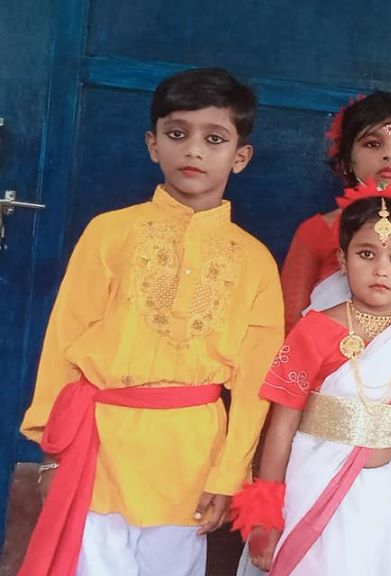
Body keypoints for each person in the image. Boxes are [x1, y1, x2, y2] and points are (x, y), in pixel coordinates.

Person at [19, 68, 282, 576]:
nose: (194, 150)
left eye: (214, 139)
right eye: (177, 134)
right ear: (152, 144)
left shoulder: (255, 261)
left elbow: (256, 383)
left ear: (241, 156)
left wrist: (230, 473)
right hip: (98, 447)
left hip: (190, 457)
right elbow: (64, 340)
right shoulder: (109, 233)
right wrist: (53, 454)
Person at [233, 189, 391, 576]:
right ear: (343, 260)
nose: (381, 270)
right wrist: (266, 515)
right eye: (366, 254)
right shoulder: (313, 329)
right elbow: (281, 427)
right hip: (309, 487)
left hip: (382, 502)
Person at [280, 91, 391, 331]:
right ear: (347, 161)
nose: (389, 154)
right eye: (373, 144)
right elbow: (290, 321)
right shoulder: (316, 231)